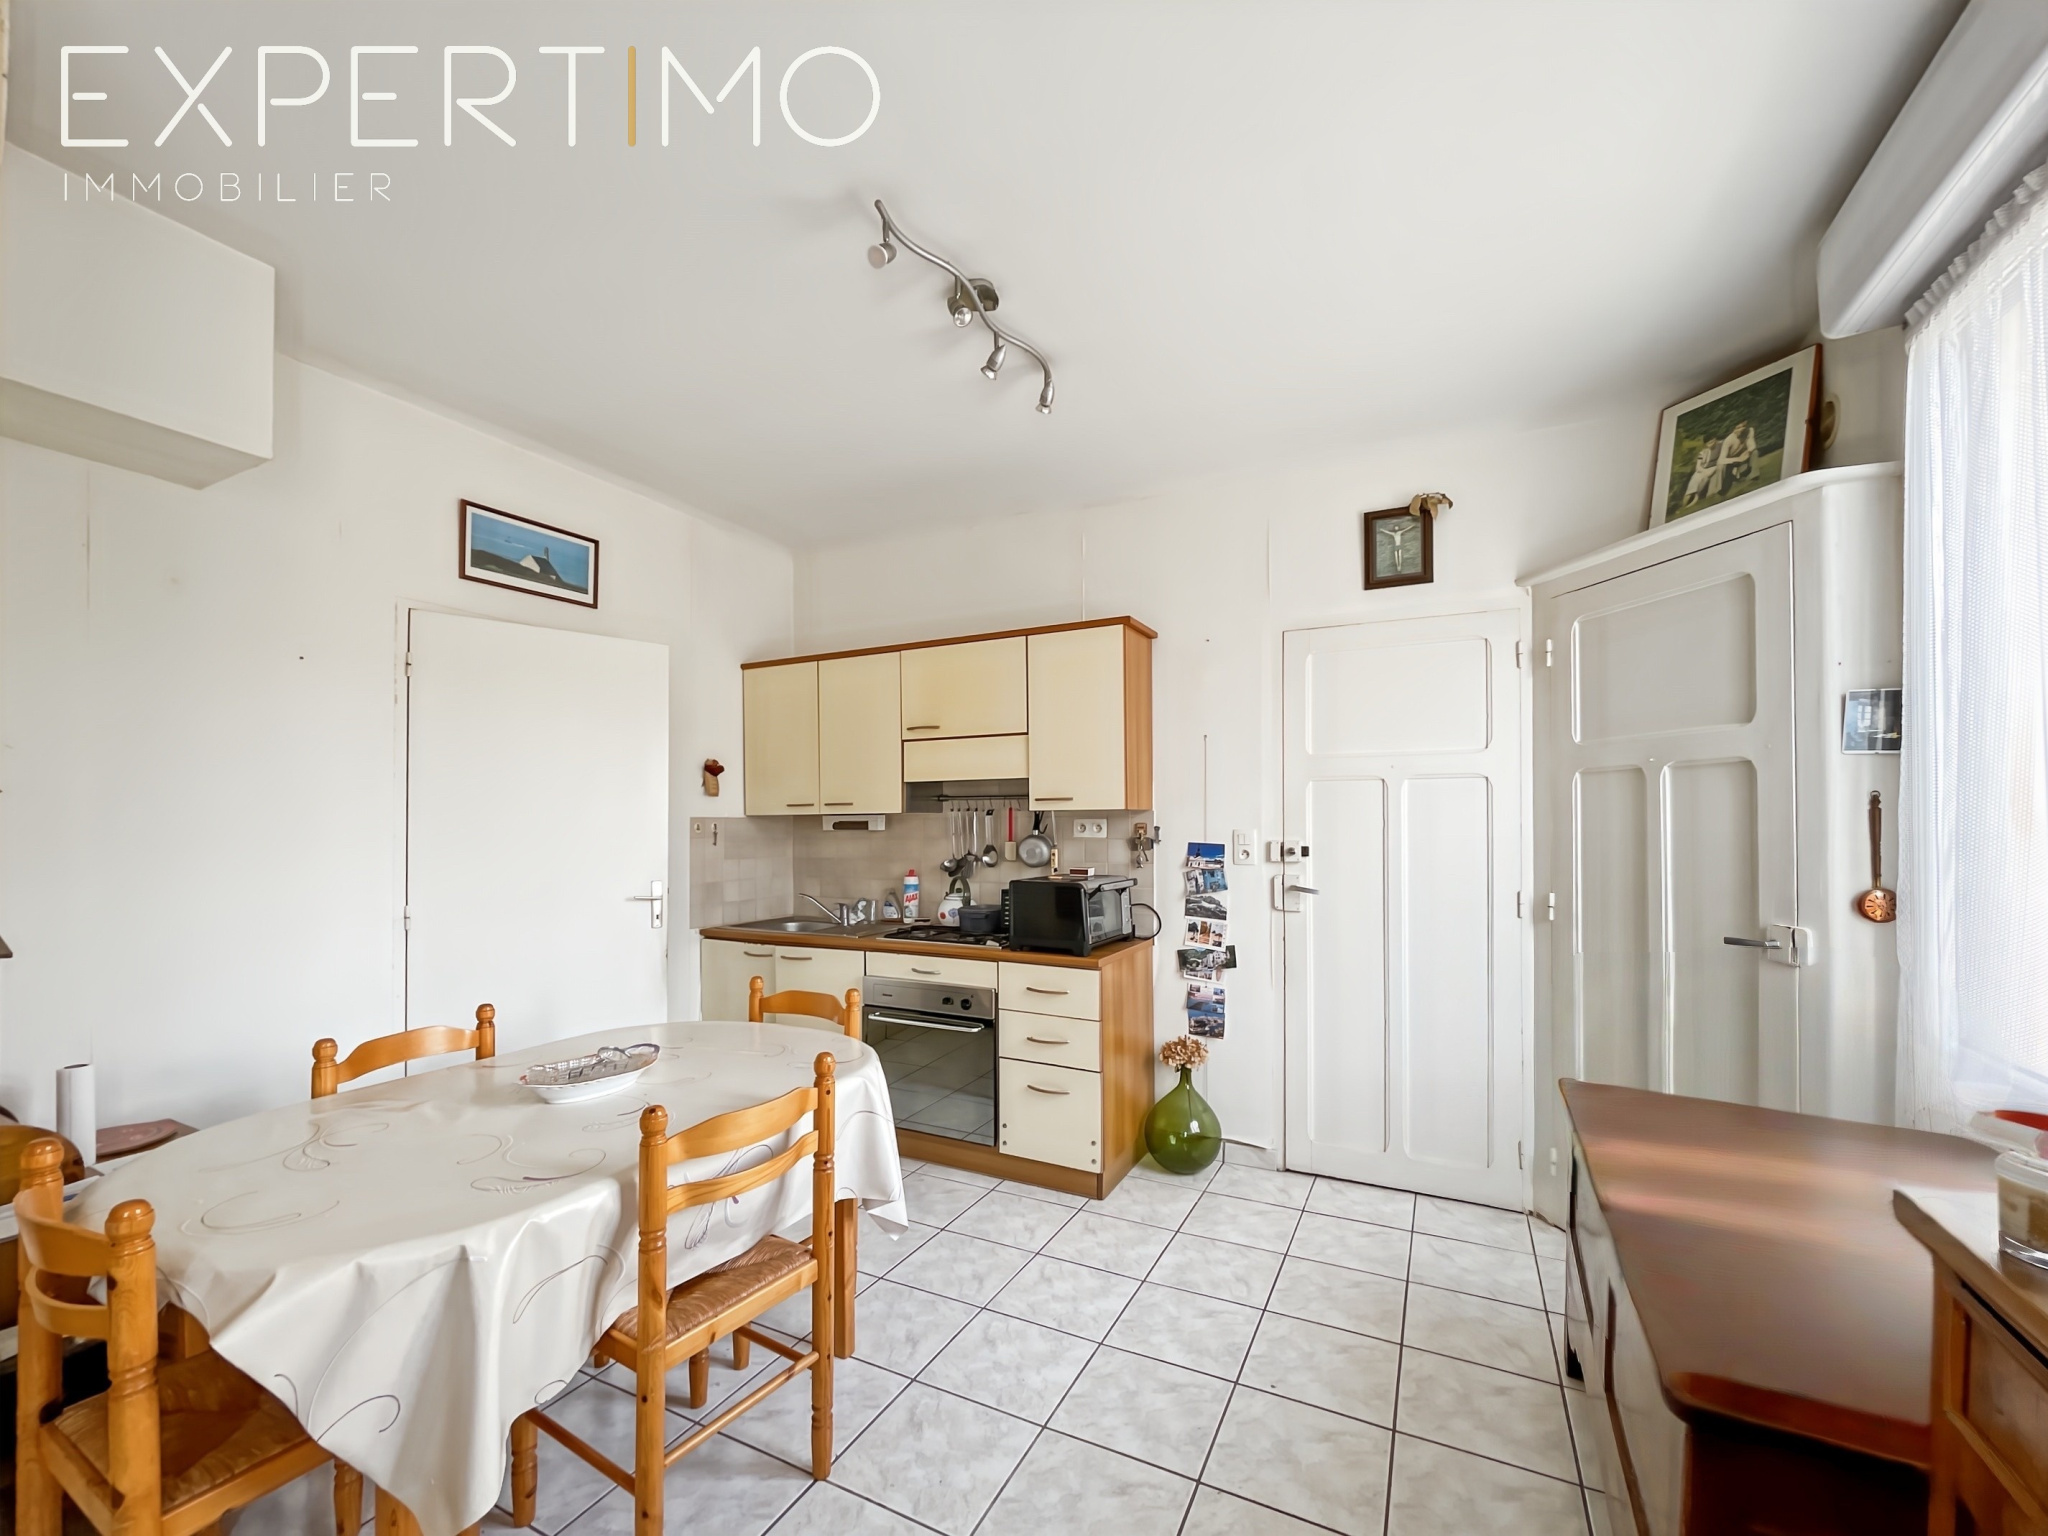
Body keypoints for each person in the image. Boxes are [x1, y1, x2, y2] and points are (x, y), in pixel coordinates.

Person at [1680, 437, 1721, 509]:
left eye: (1713, 441)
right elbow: (1698, 467)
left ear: (1715, 441)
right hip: (1701, 471)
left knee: (1699, 488)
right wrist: (1705, 471)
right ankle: (1683, 506)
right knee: (1692, 486)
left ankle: (1691, 503)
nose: (1712, 444)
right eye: (1709, 443)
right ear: (1706, 444)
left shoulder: (1719, 447)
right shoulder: (1703, 453)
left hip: (1711, 470)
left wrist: (1710, 471)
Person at [1719, 421, 1757, 492]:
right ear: (1734, 430)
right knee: (1726, 486)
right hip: (1731, 461)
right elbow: (1721, 460)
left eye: (1743, 427)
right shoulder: (1728, 440)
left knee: (1754, 453)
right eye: (1738, 428)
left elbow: (1752, 446)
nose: (1741, 429)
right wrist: (1738, 459)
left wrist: (1747, 452)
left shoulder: (1749, 431)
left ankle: (1754, 476)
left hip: (1743, 456)